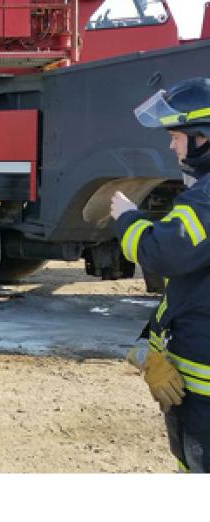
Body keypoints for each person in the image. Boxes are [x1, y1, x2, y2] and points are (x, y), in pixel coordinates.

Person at [114, 77, 210, 472]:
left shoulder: (205, 199)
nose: (171, 146)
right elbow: (190, 288)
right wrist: (147, 348)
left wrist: (127, 218)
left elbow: (162, 254)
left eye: (176, 136)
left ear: (202, 138)